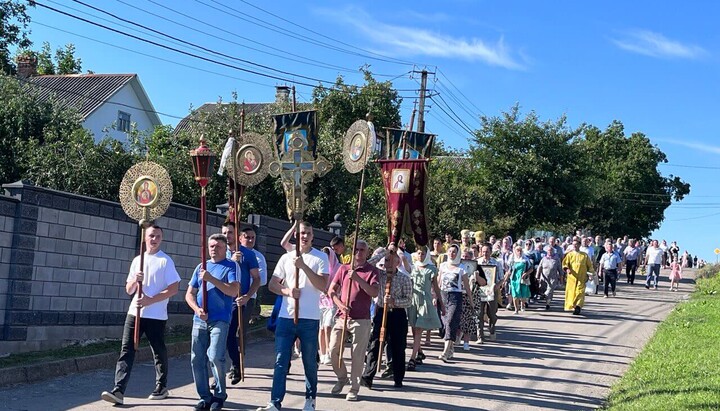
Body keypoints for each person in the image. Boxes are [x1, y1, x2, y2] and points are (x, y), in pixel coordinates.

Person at [101, 225, 180, 405]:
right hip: (134, 312)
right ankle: (119, 390)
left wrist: (150, 300)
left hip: (156, 315)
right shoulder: (138, 260)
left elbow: (174, 288)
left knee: (158, 350)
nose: (154, 239)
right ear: (145, 237)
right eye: (151, 236)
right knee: (127, 350)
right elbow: (128, 289)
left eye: (158, 237)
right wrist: (136, 281)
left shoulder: (165, 261)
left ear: (161, 239)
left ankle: (162, 386)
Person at [257, 222, 329, 411]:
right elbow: (273, 285)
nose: (305, 236)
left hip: (309, 318)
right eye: (302, 233)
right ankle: (274, 402)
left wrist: (303, 266)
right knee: (281, 360)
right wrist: (287, 291)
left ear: (313, 236)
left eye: (308, 233)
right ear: (296, 235)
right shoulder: (285, 258)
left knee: (309, 361)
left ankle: (310, 399)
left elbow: (322, 285)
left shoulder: (320, 257)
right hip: (286, 317)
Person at [186, 234, 240, 411]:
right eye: (211, 246)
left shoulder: (231, 266)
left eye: (218, 246)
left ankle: (219, 393)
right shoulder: (201, 267)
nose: (213, 249)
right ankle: (204, 396)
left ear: (225, 249)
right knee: (196, 358)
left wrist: (212, 280)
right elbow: (189, 293)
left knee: (215, 356)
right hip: (200, 319)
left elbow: (233, 290)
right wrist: (196, 309)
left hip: (220, 319)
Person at [327, 240, 379, 401]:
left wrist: (357, 278)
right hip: (342, 317)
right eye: (356, 249)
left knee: (357, 355)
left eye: (362, 250)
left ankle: (354, 388)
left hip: (361, 319)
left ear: (367, 252)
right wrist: (340, 305)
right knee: (333, 350)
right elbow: (331, 291)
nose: (359, 252)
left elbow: (374, 292)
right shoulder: (343, 268)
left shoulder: (372, 271)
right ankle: (342, 377)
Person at [362, 244, 413, 388]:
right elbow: (367, 264)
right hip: (381, 311)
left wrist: (394, 301)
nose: (387, 263)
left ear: (397, 262)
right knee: (375, 343)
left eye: (390, 260)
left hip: (397, 314)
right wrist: (386, 251)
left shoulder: (404, 278)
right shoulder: (379, 274)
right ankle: (368, 376)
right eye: (386, 260)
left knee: (398, 346)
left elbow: (408, 300)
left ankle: (398, 377)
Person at [220, 222, 261, 385]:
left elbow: (256, 279)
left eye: (229, 232)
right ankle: (219, 374)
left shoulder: (248, 254)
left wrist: (247, 296)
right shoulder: (219, 252)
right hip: (220, 301)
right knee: (218, 337)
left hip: (237, 301)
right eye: (224, 232)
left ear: (237, 235)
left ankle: (236, 365)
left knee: (230, 334)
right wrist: (231, 261)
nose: (226, 236)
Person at [405, 247, 443, 369]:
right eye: (419, 253)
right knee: (414, 328)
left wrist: (440, 301)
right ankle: (420, 352)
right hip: (413, 299)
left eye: (423, 253)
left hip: (425, 300)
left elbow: (436, 287)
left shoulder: (431, 269)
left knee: (419, 328)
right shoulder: (414, 267)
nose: (421, 255)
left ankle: (412, 358)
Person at [438, 244, 472, 362]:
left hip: (456, 296)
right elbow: (438, 282)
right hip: (443, 296)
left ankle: (445, 352)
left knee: (450, 322)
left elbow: (467, 286)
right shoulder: (442, 266)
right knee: (445, 324)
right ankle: (451, 348)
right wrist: (435, 296)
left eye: (454, 252)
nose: (451, 254)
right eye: (450, 251)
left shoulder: (462, 268)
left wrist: (471, 301)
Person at [476, 243, 503, 342]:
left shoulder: (496, 263)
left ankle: (492, 329)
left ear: (491, 252)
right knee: (479, 313)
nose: (485, 253)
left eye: (487, 251)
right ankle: (480, 336)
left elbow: (501, 278)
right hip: (480, 290)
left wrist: (496, 286)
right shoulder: (477, 262)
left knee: (491, 313)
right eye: (483, 251)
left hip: (492, 291)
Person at [319, 247, 340, 365]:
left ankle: (328, 352)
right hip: (321, 301)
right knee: (321, 328)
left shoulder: (338, 268)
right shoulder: (321, 266)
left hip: (332, 301)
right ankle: (322, 353)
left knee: (328, 326)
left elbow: (340, 284)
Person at [562, 238, 594, 315]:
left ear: (579, 245)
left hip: (582, 278)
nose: (575, 246)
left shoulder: (584, 255)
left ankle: (578, 307)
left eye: (577, 244)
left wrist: (591, 274)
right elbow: (565, 264)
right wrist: (567, 269)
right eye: (574, 244)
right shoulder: (570, 255)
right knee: (571, 293)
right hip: (572, 278)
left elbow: (590, 266)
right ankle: (573, 305)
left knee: (580, 292)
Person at [505, 246, 533, 314]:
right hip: (514, 279)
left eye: (520, 250)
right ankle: (516, 309)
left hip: (522, 279)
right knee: (515, 294)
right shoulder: (512, 260)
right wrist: (505, 279)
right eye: (517, 250)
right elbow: (509, 270)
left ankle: (522, 306)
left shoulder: (525, 260)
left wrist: (526, 273)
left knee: (523, 294)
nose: (519, 252)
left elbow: (531, 269)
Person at [536, 245, 562, 310]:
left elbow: (560, 269)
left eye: (551, 250)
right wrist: (537, 276)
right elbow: (539, 267)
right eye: (549, 250)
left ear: (553, 251)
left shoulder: (556, 259)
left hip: (553, 278)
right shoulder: (544, 258)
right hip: (544, 277)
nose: (550, 252)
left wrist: (561, 277)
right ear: (547, 251)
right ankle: (546, 300)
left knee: (550, 290)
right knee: (542, 289)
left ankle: (548, 304)